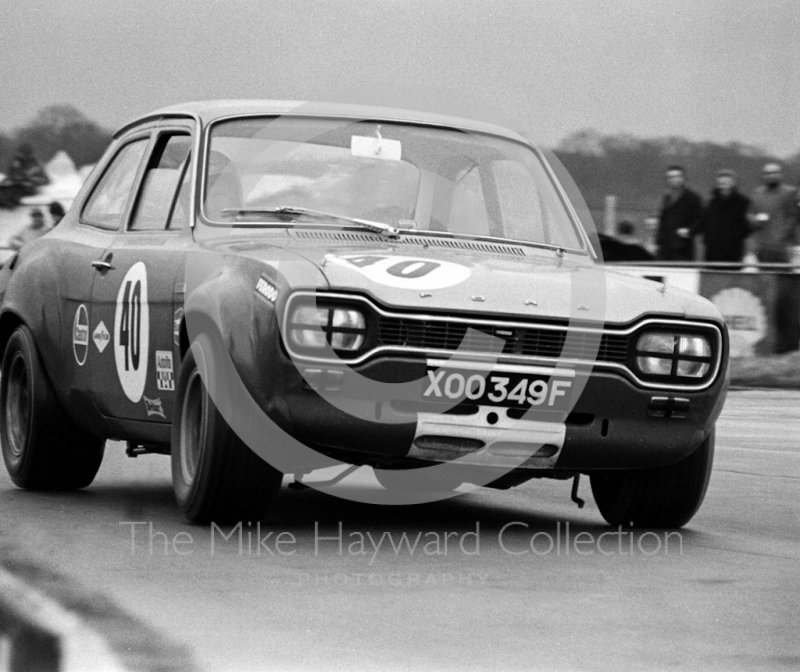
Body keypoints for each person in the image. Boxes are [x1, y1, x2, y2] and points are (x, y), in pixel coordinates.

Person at [748, 162, 800, 353]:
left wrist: (783, 236)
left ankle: (787, 343)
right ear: (763, 175)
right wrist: (754, 220)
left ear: (780, 174)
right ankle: (769, 343)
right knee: (766, 296)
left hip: (784, 251)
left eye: (774, 172)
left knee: (785, 297)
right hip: (763, 250)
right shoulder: (757, 194)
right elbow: (749, 216)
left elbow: (794, 216)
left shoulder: (788, 193)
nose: (771, 176)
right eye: (767, 173)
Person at [696, 169, 751, 264]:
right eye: (720, 183)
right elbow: (702, 222)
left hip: (733, 253)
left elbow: (748, 227)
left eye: (726, 183)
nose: (723, 186)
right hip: (712, 253)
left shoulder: (743, 202)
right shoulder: (710, 203)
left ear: (733, 183)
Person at [656, 165, 703, 261]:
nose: (672, 180)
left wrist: (689, 231)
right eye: (669, 177)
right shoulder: (667, 198)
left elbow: (701, 220)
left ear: (683, 178)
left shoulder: (693, 198)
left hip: (683, 250)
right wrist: (658, 241)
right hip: (665, 250)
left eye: (676, 176)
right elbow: (663, 222)